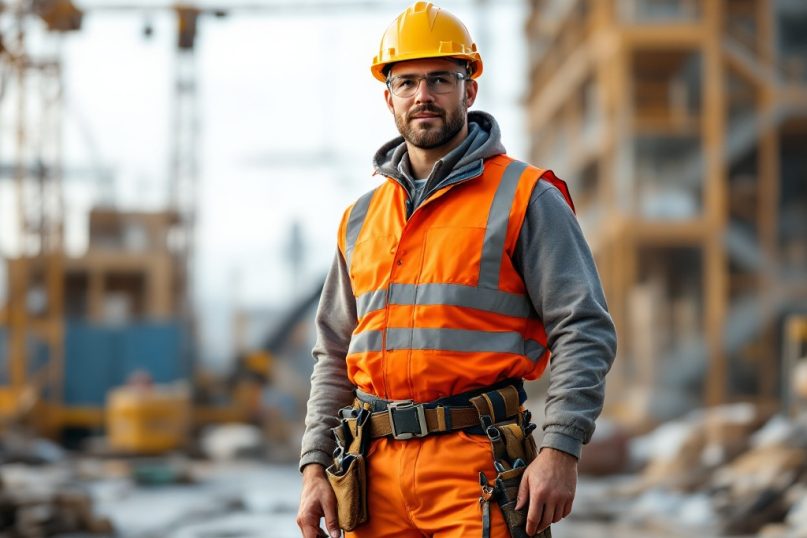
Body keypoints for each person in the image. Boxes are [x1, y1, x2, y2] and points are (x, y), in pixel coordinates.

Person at [296, 3, 616, 537]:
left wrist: (562, 448)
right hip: (370, 476)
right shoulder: (358, 219)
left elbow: (584, 328)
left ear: (469, 90)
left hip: (478, 471)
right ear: (389, 97)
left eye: (440, 79)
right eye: (408, 82)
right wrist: (313, 467)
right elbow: (333, 354)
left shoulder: (525, 196)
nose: (423, 96)